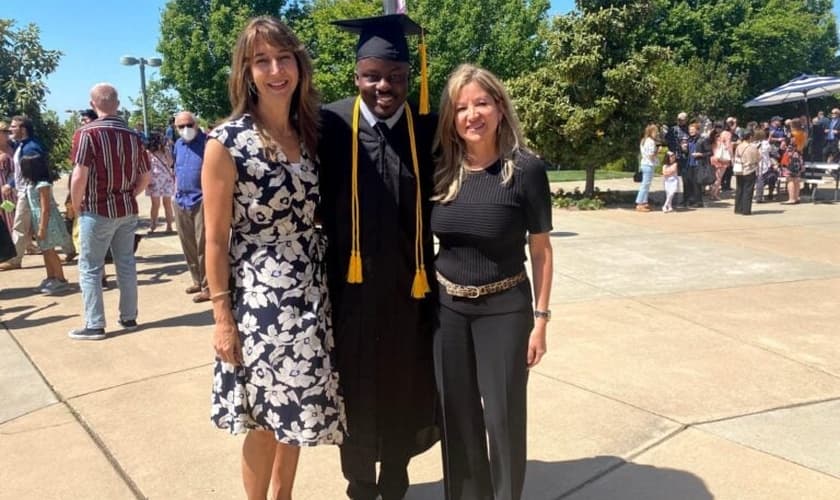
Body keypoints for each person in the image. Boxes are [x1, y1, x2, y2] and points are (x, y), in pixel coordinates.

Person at [204, 16, 346, 500]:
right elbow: (216, 241)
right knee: (264, 416)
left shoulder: (311, 133)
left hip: (311, 288)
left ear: (299, 65)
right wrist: (223, 317)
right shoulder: (226, 142)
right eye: (262, 60)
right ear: (246, 71)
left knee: (297, 408)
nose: (275, 69)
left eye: (283, 57)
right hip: (260, 299)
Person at [319, 13, 439, 500]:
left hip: (412, 293)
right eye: (372, 76)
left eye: (395, 77)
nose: (383, 86)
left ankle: (396, 477)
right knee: (355, 386)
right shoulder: (329, 124)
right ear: (356, 76)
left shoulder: (428, 130)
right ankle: (359, 484)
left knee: (403, 383)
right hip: (348, 294)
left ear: (410, 78)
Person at [430, 64, 553, 500]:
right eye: (461, 107)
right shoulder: (442, 168)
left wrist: (540, 320)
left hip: (504, 309)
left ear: (499, 107)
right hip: (449, 312)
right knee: (458, 418)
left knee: (502, 419)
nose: (472, 115)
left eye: (481, 103)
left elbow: (541, 250)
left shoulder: (526, 170)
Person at [68, 83, 150, 340]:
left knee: (90, 266)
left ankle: (94, 324)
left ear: (93, 104)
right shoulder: (133, 136)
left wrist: (76, 204)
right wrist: (128, 193)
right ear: (117, 103)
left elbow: (80, 175)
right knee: (126, 263)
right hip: (126, 208)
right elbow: (145, 176)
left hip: (96, 208)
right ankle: (129, 317)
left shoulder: (87, 133)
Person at [19, 154, 72, 293]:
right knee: (45, 250)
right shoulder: (32, 184)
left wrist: (42, 227)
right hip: (38, 220)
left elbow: (45, 208)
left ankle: (61, 279)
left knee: (50, 250)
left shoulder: (43, 185)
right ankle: (51, 277)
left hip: (47, 221)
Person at [172, 110, 209, 302]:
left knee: (204, 244)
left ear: (196, 124)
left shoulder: (208, 143)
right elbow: (176, 169)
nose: (186, 129)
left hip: (202, 200)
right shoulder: (178, 145)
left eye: (189, 125)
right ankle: (197, 280)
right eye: (181, 126)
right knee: (187, 242)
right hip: (181, 200)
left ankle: (209, 285)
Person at [0, 115, 44, 271]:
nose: (9, 131)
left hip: (28, 190)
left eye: (12, 127)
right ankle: (68, 248)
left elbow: (28, 171)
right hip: (22, 189)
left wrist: (11, 184)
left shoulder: (29, 147)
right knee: (30, 222)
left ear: (23, 129)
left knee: (19, 224)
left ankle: (15, 259)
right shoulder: (21, 146)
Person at [144, 131, 175, 233]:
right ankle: (163, 226)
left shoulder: (152, 152)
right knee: (162, 204)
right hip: (161, 179)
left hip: (158, 179)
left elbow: (170, 163)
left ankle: (158, 226)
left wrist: (166, 152)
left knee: (160, 204)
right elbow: (171, 163)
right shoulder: (150, 152)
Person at [664, 112, 689, 207]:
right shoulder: (673, 129)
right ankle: (670, 199)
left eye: (682, 119)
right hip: (674, 157)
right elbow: (667, 140)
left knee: (686, 179)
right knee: (671, 178)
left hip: (684, 158)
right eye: (679, 119)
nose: (680, 121)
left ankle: (686, 199)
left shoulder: (688, 130)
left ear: (686, 120)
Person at [733, 128, 759, 215]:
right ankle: (746, 209)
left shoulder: (739, 146)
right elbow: (757, 158)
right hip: (749, 169)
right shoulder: (752, 147)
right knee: (748, 190)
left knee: (739, 189)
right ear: (750, 137)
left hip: (739, 169)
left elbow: (735, 156)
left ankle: (738, 208)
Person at [782, 118, 807, 204]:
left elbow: (783, 146)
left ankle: (791, 198)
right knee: (796, 178)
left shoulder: (791, 134)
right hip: (799, 156)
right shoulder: (803, 134)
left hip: (790, 157)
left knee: (790, 178)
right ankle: (796, 197)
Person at [635, 124, 658, 212]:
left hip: (644, 163)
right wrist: (657, 152)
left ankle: (644, 202)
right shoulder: (651, 142)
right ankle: (639, 203)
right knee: (645, 185)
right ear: (651, 132)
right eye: (655, 132)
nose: (656, 134)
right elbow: (651, 155)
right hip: (649, 164)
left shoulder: (643, 140)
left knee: (646, 184)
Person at [709, 121, 731, 201]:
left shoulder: (712, 135)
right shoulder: (725, 135)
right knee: (719, 178)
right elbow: (728, 146)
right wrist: (732, 157)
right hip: (722, 158)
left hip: (713, 157)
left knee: (715, 176)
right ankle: (714, 194)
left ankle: (712, 192)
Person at [0, 121, 14, 239]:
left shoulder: (13, 147)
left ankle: (21, 243)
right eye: (3, 132)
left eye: (7, 132)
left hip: (10, 188)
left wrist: (10, 184)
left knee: (11, 213)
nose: (6, 134)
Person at [754, 129, 776, 203]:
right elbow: (770, 150)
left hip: (756, 164)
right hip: (765, 164)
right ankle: (767, 195)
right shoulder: (765, 143)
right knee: (770, 178)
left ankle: (758, 196)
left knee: (759, 180)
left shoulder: (753, 144)